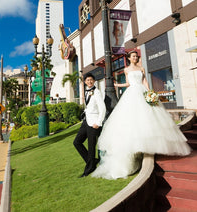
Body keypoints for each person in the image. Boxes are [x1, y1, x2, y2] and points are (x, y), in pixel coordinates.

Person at [91, 51, 191, 180]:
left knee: (151, 117)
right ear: (129, 58)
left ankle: (151, 146)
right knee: (134, 119)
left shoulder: (142, 68)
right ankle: (138, 149)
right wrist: (117, 85)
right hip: (132, 94)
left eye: (136, 56)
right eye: (133, 56)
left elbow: (145, 82)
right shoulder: (126, 70)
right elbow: (128, 84)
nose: (135, 58)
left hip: (143, 93)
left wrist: (150, 93)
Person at [73, 73, 106, 177]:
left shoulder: (97, 92)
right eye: (87, 80)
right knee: (77, 142)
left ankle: (89, 169)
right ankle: (92, 161)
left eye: (91, 80)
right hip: (86, 121)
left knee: (91, 147)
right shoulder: (87, 92)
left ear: (94, 81)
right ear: (85, 82)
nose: (89, 82)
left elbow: (102, 108)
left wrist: (98, 122)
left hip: (94, 123)